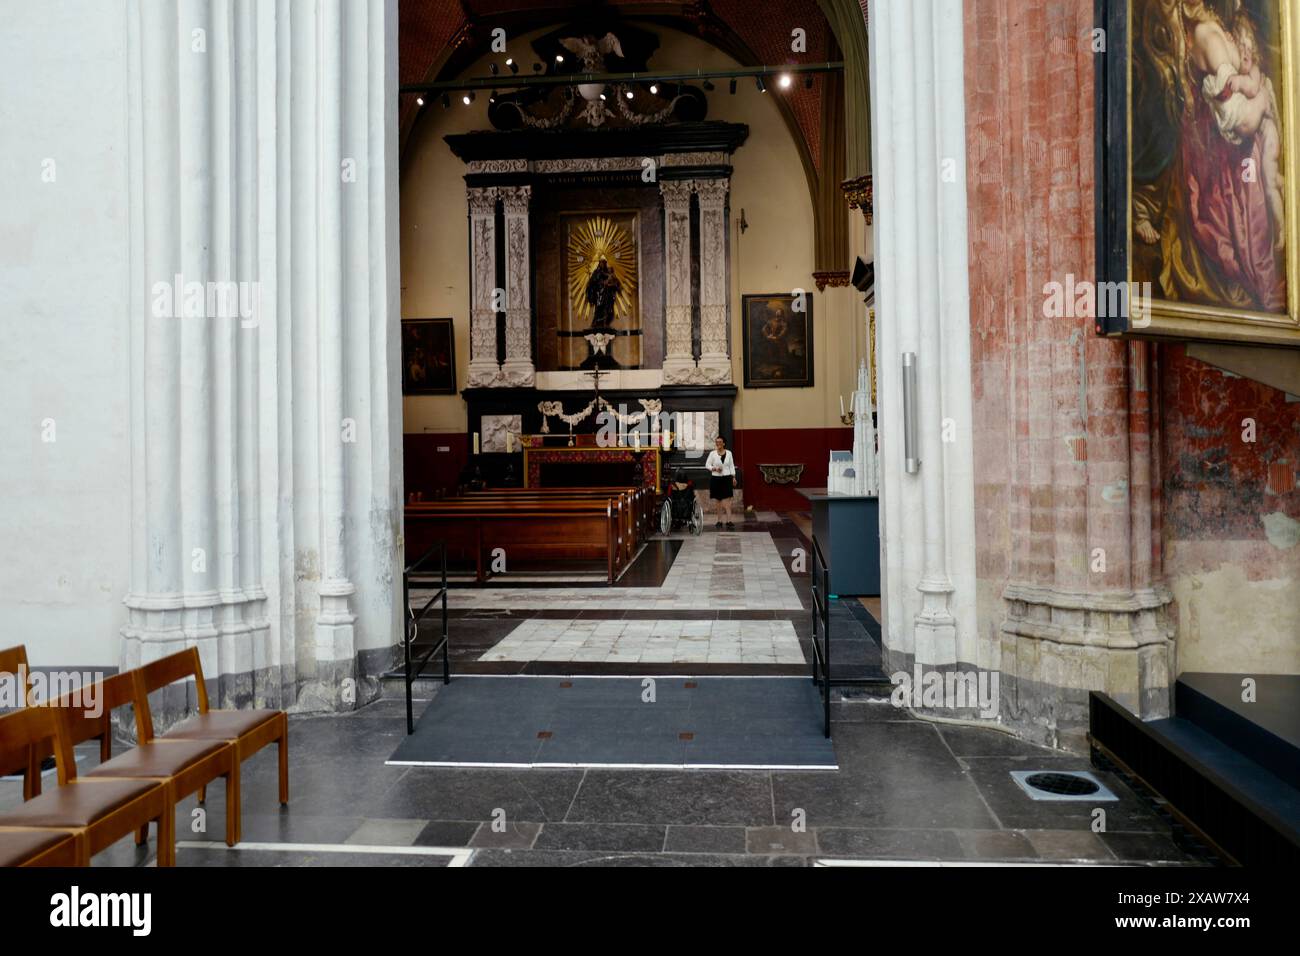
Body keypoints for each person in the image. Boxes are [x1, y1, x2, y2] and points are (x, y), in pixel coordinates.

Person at [705, 436, 737, 530]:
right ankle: (719, 521)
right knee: (718, 501)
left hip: (727, 478)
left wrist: (733, 477)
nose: (718, 443)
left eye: (720, 442)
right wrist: (714, 468)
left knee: (727, 500)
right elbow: (707, 465)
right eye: (716, 442)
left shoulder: (729, 453)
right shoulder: (712, 454)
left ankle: (729, 521)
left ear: (724, 443)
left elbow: (731, 466)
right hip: (716, 478)